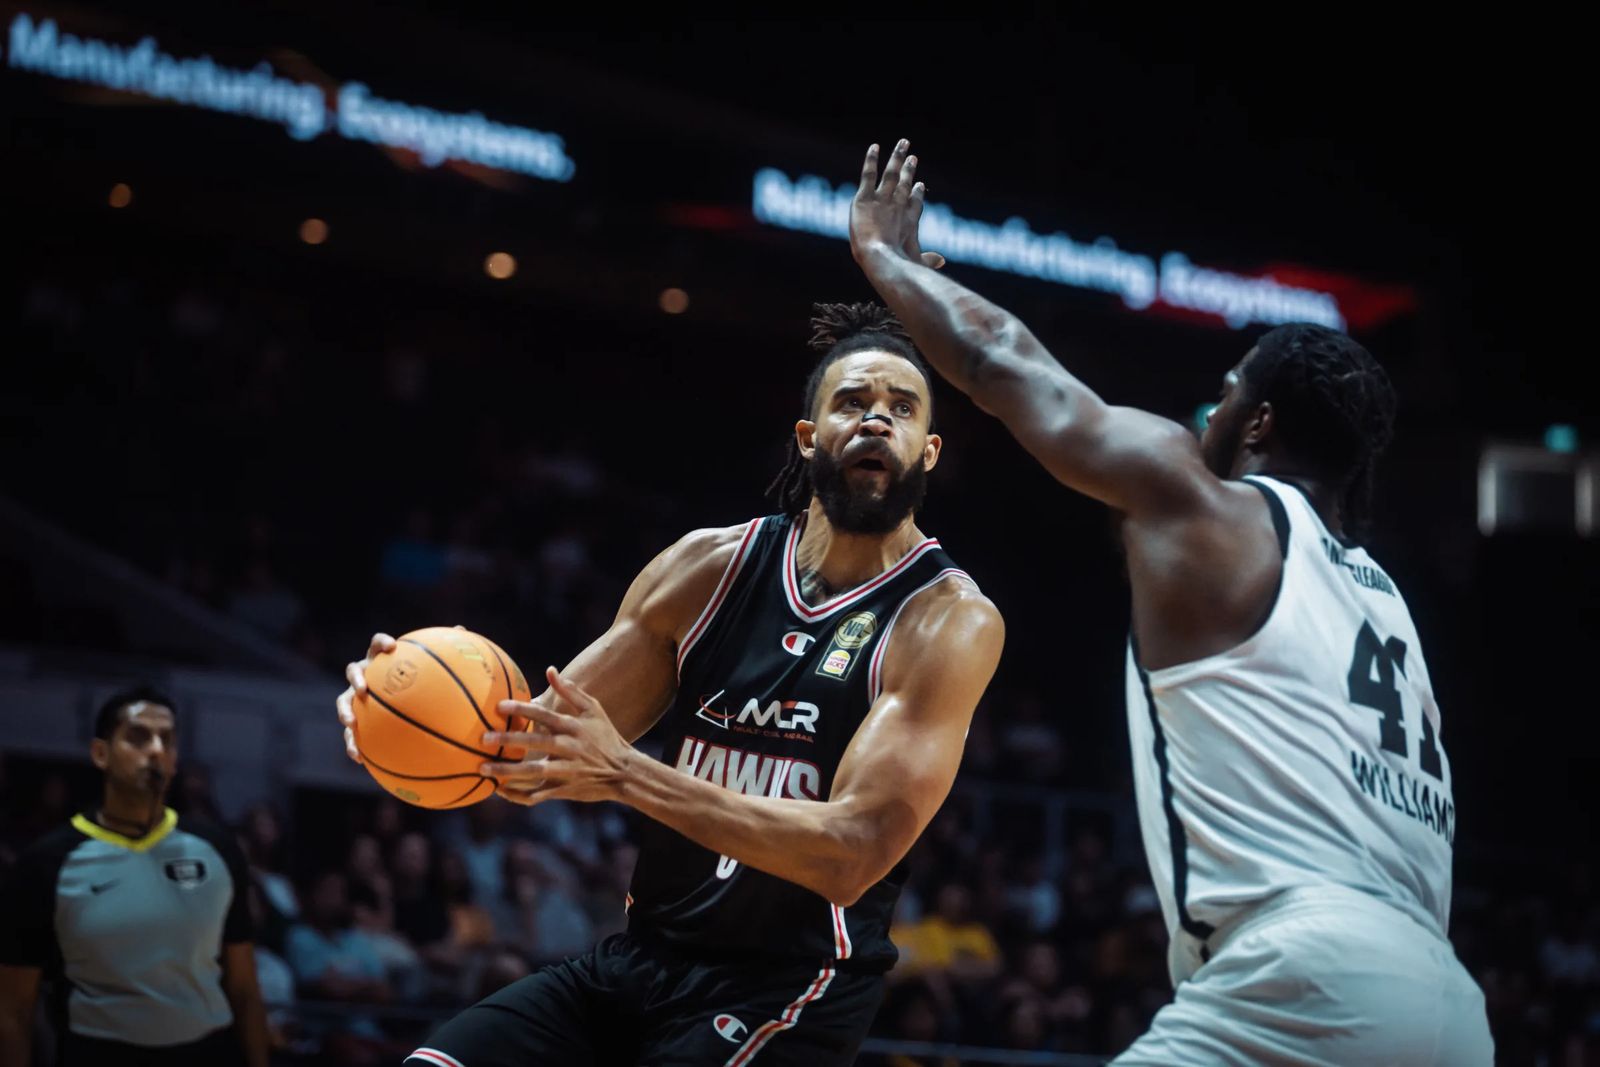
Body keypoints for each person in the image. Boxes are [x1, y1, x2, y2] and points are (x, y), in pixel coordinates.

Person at [847, 139, 1493, 1064]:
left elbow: (1004, 364)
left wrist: (885, 259)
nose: (1205, 416)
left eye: (1224, 396)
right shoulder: (1388, 606)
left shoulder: (1210, 506)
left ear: (1259, 423)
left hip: (1301, 977)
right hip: (1449, 1008)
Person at [336, 302, 1004, 1065]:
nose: (877, 421)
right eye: (852, 402)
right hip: (642, 959)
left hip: (791, 989)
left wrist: (626, 773)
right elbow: (525, 752)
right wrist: (395, 704)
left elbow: (850, 854)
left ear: (930, 451)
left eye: (902, 409)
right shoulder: (706, 571)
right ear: (809, 436)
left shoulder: (946, 620)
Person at [0, 685, 269, 1067]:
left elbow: (244, 988)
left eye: (168, 740)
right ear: (100, 753)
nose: (156, 750)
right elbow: (12, 1010)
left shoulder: (217, 850)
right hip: (97, 1053)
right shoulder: (46, 863)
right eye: (138, 737)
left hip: (208, 1051)